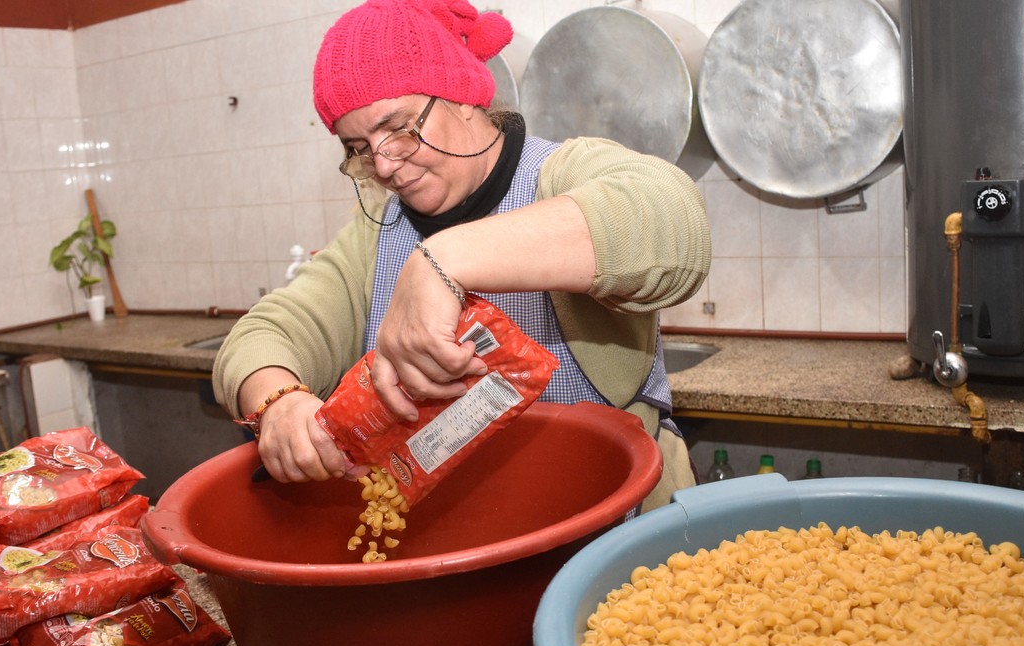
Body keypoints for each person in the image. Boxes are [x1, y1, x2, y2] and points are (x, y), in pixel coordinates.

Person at [212, 0, 710, 511]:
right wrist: (278, 403)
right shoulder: (378, 234)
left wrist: (443, 260)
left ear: (464, 97)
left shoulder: (559, 173)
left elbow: (675, 225)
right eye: (359, 147)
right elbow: (264, 333)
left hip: (612, 514)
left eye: (400, 128)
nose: (382, 165)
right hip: (462, 531)